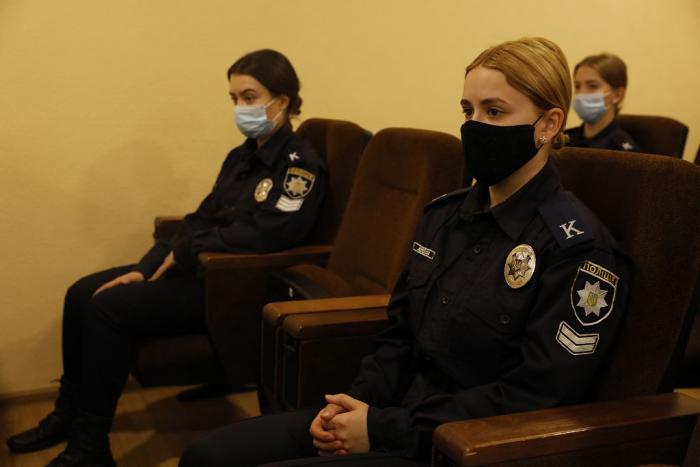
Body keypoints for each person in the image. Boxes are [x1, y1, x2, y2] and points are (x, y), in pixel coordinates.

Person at [179, 37, 631, 467]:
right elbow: (399, 335)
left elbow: (535, 396)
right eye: (468, 110)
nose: (474, 126)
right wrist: (353, 406)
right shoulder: (444, 216)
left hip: (457, 446)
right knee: (208, 456)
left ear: (548, 125)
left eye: (494, 111)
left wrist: (384, 430)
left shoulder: (578, 250)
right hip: (390, 414)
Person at [6, 49, 326, 467]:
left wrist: (188, 249)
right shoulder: (241, 157)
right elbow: (199, 219)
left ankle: (90, 446)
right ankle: (67, 415)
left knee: (107, 308)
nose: (240, 108)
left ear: (281, 100)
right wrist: (145, 268)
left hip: (233, 287)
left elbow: (273, 233)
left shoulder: (300, 165)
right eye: (233, 99)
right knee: (80, 293)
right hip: (199, 271)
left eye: (249, 97)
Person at [565, 53, 639, 151]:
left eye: (593, 86)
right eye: (577, 86)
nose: (581, 93)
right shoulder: (564, 140)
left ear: (617, 95)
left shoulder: (622, 151)